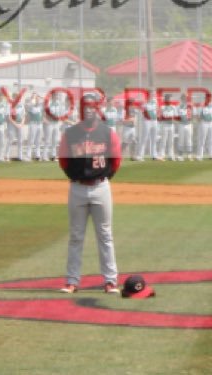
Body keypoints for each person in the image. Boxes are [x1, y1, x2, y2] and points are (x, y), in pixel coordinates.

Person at [58, 93, 122, 294]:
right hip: (77, 187)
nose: (89, 111)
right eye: (86, 107)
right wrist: (74, 176)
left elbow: (116, 159)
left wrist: (105, 176)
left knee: (105, 235)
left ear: (98, 108)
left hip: (100, 187)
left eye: (92, 107)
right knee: (76, 236)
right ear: (81, 109)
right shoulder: (70, 133)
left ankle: (110, 281)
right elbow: (63, 159)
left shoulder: (107, 132)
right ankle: (72, 281)